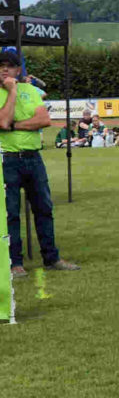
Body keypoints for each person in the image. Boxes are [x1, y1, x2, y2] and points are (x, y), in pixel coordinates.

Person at [0, 51, 80, 279]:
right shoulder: (14, 90)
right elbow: (2, 120)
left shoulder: (31, 91)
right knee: (10, 215)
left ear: (18, 70)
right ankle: (15, 263)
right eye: (1, 66)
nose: (5, 70)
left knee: (44, 209)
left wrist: (14, 125)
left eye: (10, 66)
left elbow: (44, 120)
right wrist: (13, 91)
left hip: (34, 158)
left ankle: (51, 258)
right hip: (7, 159)